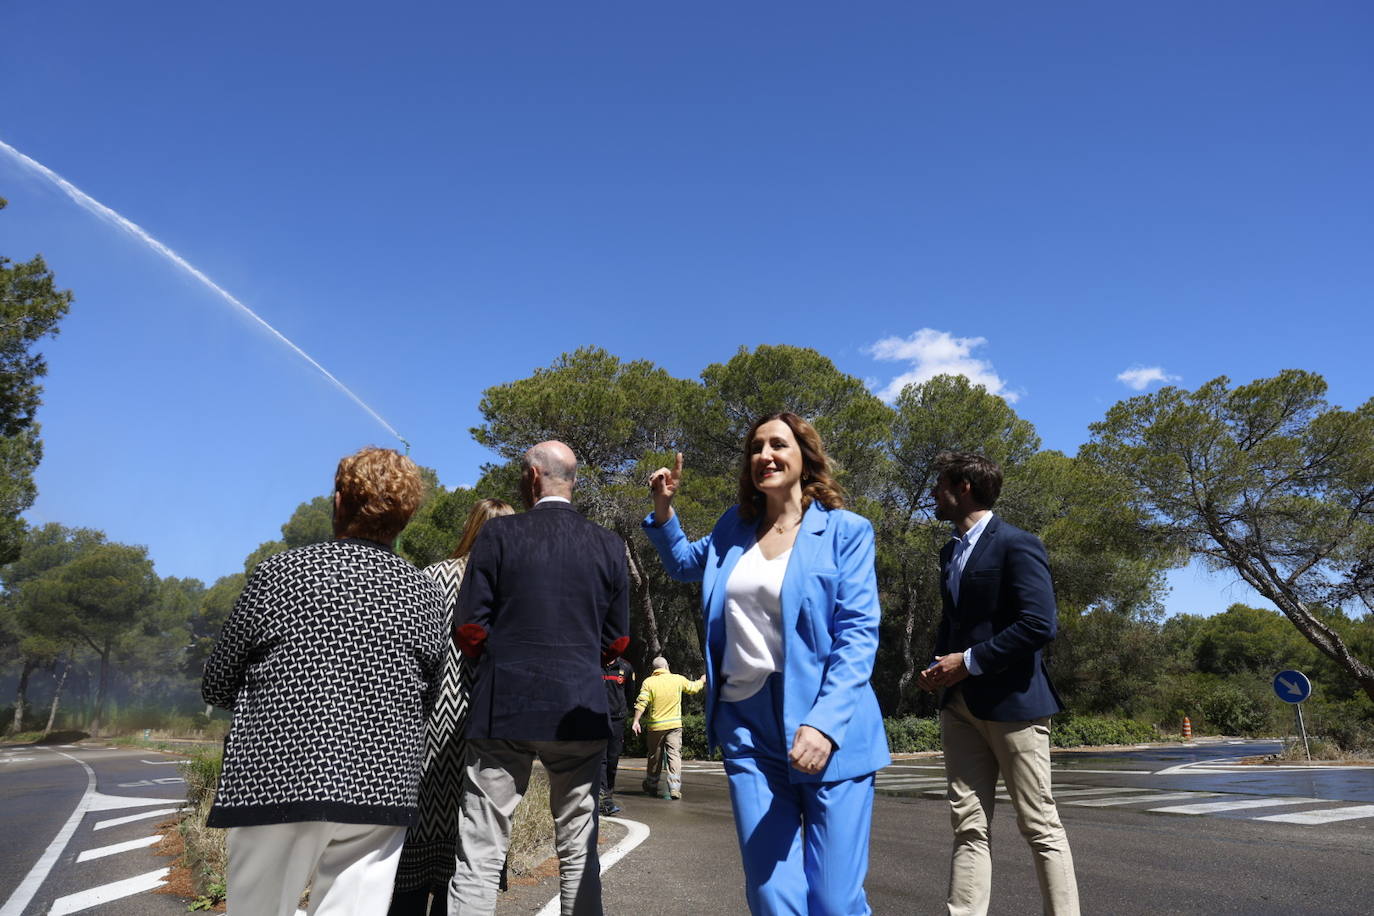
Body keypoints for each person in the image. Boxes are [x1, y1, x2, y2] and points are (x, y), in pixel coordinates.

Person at [642, 412, 891, 915]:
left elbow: (858, 635)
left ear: (805, 456)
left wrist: (823, 724)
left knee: (834, 900)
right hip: (747, 724)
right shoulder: (733, 528)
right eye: (756, 447)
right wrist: (664, 512)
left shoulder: (847, 531)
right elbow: (685, 564)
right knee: (772, 894)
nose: (765, 455)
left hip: (829, 724)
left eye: (778, 444)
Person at [202, 447, 446, 916]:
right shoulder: (423, 592)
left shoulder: (280, 573)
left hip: (275, 779)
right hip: (381, 784)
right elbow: (429, 697)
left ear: (339, 502)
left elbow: (218, 684)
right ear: (406, 517)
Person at [448, 441, 630, 916]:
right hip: (580, 708)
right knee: (578, 847)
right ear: (574, 480)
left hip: (504, 704)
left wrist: (498, 659)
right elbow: (618, 642)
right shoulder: (610, 545)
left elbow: (469, 627)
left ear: (532, 477)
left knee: (480, 851)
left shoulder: (498, 536)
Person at [917, 451, 1080, 916]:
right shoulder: (949, 550)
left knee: (1039, 825)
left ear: (963, 487)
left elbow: (1038, 625)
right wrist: (938, 670)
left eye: (940, 484)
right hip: (959, 707)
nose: (933, 493)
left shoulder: (1017, 543)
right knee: (968, 825)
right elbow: (957, 624)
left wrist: (967, 662)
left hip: (1015, 704)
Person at [391, 498, 515, 916]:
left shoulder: (431, 577)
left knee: (413, 844)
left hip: (424, 723)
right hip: (482, 724)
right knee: (471, 840)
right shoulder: (512, 587)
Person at [630, 656, 705, 800]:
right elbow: (693, 688)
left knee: (654, 757)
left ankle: (652, 785)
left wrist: (636, 721)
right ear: (667, 667)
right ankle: (674, 788)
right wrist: (702, 681)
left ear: (654, 669)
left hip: (656, 727)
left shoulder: (649, 682)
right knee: (674, 755)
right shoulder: (677, 679)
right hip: (675, 726)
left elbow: (642, 702)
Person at [599, 652, 636, 816]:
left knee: (612, 760)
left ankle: (608, 795)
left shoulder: (626, 667)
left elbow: (630, 694)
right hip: (597, 719)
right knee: (601, 759)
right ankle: (603, 800)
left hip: (617, 720)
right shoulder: (595, 664)